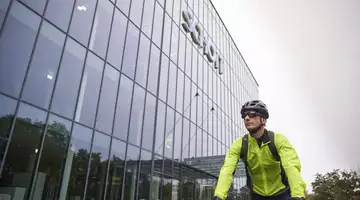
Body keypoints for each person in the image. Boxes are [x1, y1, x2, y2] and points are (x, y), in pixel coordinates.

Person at [213, 100, 306, 200]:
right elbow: (227, 170)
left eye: (252, 114)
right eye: (244, 116)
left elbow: (291, 166)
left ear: (263, 120)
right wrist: (219, 195)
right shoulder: (240, 144)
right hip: (257, 195)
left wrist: (298, 195)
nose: (247, 118)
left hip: (281, 193)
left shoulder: (278, 140)